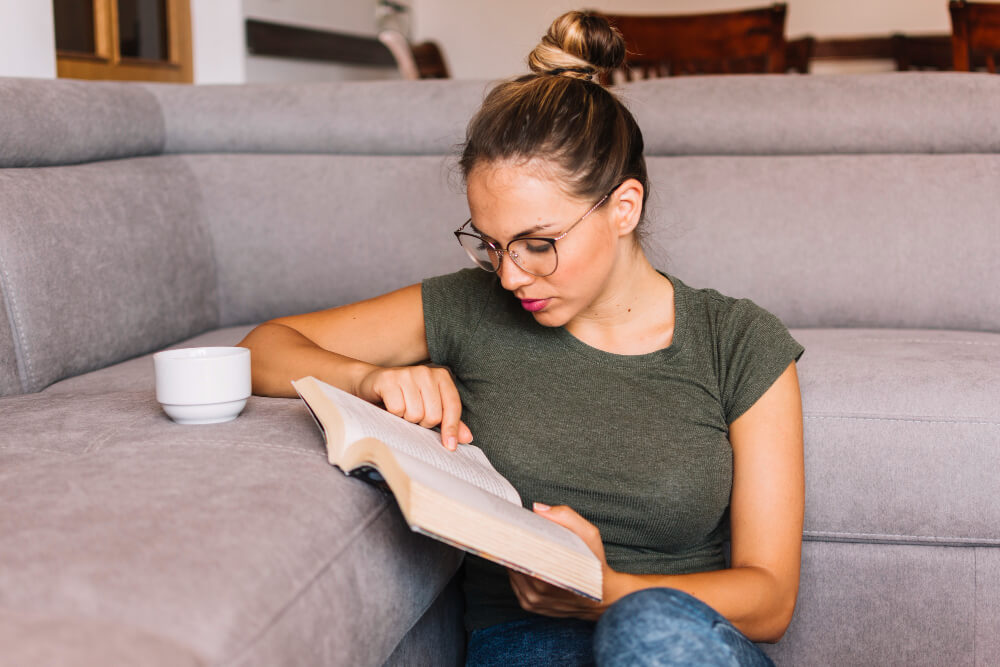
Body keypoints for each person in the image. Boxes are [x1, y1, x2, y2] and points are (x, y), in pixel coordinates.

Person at [239, 10, 804, 667]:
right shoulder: (467, 308)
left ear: (625, 206)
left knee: (646, 630)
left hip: (675, 643)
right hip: (524, 643)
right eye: (491, 245)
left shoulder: (737, 341)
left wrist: (608, 592)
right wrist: (370, 378)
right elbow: (261, 347)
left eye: (539, 244)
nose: (510, 275)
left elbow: (770, 599)